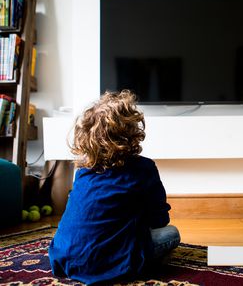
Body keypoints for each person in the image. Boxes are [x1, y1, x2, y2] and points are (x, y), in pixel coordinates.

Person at [48, 90, 180, 284]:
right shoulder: (144, 168)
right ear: (131, 132)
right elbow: (159, 219)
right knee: (172, 234)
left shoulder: (82, 171)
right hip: (112, 263)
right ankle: (136, 264)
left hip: (65, 258)